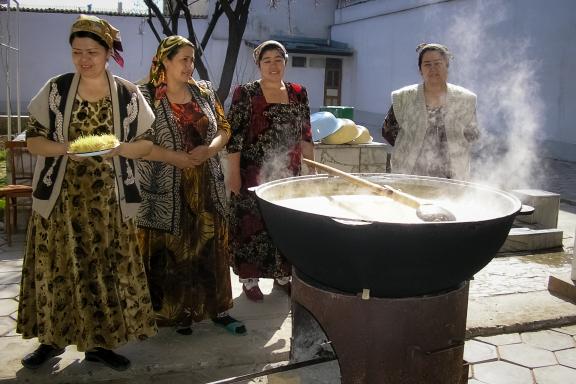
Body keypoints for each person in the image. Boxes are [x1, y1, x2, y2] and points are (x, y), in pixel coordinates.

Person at [16, 15, 157, 371]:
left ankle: (100, 344)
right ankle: (51, 340)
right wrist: (63, 148)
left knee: (104, 271)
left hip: (109, 203)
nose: (84, 59)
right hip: (60, 202)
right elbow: (33, 141)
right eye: (77, 51)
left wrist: (120, 148)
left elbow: (146, 145)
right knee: (56, 271)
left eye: (92, 52)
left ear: (108, 52)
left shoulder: (126, 93)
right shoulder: (56, 90)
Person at [136, 36, 245, 336]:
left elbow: (224, 129)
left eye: (192, 59)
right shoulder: (145, 95)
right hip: (164, 188)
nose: (190, 65)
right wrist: (174, 157)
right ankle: (177, 314)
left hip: (205, 184)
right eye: (183, 59)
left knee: (209, 248)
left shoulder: (204, 92)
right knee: (171, 252)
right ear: (165, 61)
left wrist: (209, 150)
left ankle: (216, 309)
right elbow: (137, 143)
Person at [226, 40, 315, 301]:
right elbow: (235, 137)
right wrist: (233, 174)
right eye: (267, 61)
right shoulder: (246, 92)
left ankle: (283, 276)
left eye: (278, 59)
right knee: (251, 227)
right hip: (252, 175)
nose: (274, 65)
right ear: (259, 65)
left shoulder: (299, 92)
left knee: (285, 226)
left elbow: (306, 133)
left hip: (289, 175)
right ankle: (250, 281)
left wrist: (312, 171)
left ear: (285, 62)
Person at [382, 43, 479, 180]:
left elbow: (472, 135)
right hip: (409, 175)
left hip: (452, 178)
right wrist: (410, 146)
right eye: (427, 64)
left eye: (438, 63)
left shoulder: (464, 99)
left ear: (447, 66)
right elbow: (388, 132)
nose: (433, 69)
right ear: (420, 70)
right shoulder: (404, 97)